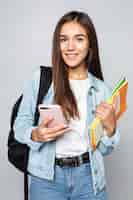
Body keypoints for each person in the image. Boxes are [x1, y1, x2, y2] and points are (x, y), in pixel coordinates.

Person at [14, 10, 120, 200]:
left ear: (90, 44)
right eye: (63, 39)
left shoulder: (102, 89)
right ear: (58, 44)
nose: (70, 46)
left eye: (79, 39)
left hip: (89, 178)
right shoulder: (41, 79)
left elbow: (105, 149)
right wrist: (35, 134)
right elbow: (20, 125)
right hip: (46, 179)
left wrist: (111, 130)